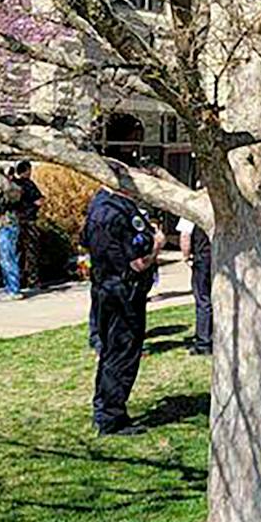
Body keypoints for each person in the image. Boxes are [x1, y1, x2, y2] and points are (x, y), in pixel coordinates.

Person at [82, 184, 158, 435]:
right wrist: (157, 244)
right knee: (122, 353)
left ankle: (105, 409)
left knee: (109, 351)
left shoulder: (98, 205)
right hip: (124, 292)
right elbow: (137, 262)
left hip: (105, 288)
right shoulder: (119, 209)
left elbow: (85, 241)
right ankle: (111, 417)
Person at [0, 160, 41, 299]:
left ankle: (14, 289)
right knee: (5, 258)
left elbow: (10, 193)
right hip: (3, 225)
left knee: (9, 257)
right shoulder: (4, 192)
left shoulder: (14, 189)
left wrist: (3, 174)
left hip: (10, 226)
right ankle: (9, 287)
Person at [177, 214, 212, 356]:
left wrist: (186, 257)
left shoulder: (191, 210)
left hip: (202, 258)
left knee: (203, 300)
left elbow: (185, 236)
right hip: (221, 258)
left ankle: (204, 342)